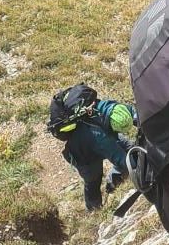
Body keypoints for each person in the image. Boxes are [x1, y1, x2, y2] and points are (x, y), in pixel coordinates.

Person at [48, 83, 138, 211]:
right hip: (83, 154)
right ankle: (93, 210)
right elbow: (124, 161)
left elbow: (134, 113)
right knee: (93, 181)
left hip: (93, 135)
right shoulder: (101, 137)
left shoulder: (114, 109)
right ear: (111, 124)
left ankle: (113, 182)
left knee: (130, 147)